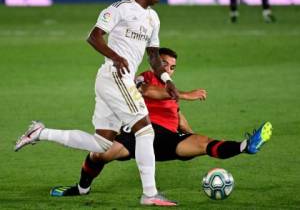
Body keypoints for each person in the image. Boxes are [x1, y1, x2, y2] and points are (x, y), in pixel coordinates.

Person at [14, 0, 180, 206]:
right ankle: (150, 194)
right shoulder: (120, 9)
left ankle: (39, 132)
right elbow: (94, 36)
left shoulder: (153, 18)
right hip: (115, 76)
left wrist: (167, 80)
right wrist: (116, 57)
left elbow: (153, 56)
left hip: (115, 79)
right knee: (145, 129)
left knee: (102, 143)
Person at [48, 47, 273, 199]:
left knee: (205, 143)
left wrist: (190, 134)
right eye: (164, 64)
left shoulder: (170, 89)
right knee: (99, 155)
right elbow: (148, 91)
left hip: (167, 138)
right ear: (155, 63)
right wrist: (184, 94)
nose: (168, 69)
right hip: (139, 132)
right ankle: (81, 188)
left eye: (172, 67)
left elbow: (176, 114)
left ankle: (246, 146)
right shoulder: (144, 77)